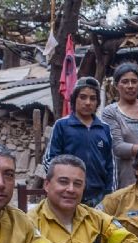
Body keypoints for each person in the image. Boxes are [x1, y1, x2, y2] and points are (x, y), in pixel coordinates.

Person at [44, 76, 114, 206]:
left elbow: (110, 165)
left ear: (97, 102)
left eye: (93, 98)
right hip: (68, 195)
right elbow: (50, 160)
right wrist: (62, 182)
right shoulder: (62, 126)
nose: (88, 102)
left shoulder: (104, 129)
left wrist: (109, 194)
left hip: (98, 197)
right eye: (83, 97)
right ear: (74, 99)